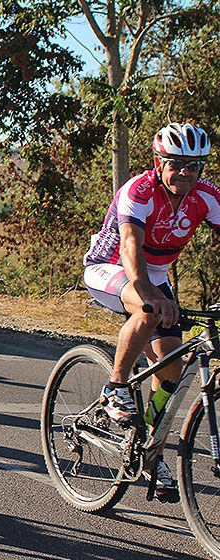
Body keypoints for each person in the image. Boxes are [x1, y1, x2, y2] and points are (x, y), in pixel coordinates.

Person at [83, 122, 215, 502]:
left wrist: (155, 290)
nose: (185, 173)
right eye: (176, 164)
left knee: (171, 366)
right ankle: (115, 387)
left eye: (194, 165)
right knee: (147, 310)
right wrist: (148, 294)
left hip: (155, 275)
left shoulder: (206, 195)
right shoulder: (139, 190)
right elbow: (129, 248)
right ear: (159, 162)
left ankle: (150, 452)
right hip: (109, 267)